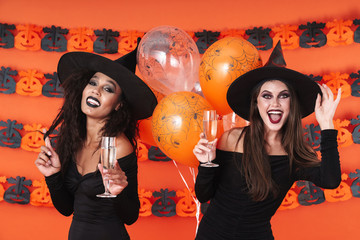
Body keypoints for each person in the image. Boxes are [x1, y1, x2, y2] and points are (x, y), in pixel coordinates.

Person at [193, 41, 342, 240]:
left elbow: (331, 181)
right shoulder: (231, 139)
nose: (274, 103)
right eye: (266, 96)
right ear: (256, 103)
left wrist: (327, 126)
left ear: (292, 104)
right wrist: (206, 164)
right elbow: (204, 195)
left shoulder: (295, 154)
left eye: (283, 96)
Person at [34, 42, 157, 240]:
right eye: (93, 83)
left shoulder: (119, 147)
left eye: (108, 89)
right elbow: (66, 209)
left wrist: (118, 192)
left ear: (118, 105)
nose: (96, 91)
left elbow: (130, 216)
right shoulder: (71, 139)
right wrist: (53, 175)